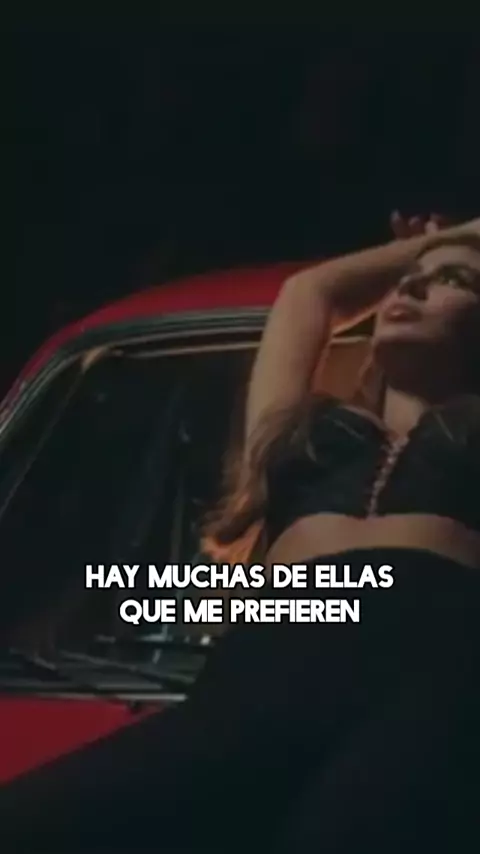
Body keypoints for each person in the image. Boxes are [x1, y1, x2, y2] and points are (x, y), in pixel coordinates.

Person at [3, 213, 480, 853]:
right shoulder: (296, 434)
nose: (410, 287)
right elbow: (309, 293)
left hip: (423, 685)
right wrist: (440, 244)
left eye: (453, 281)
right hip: (259, 674)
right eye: (404, 279)